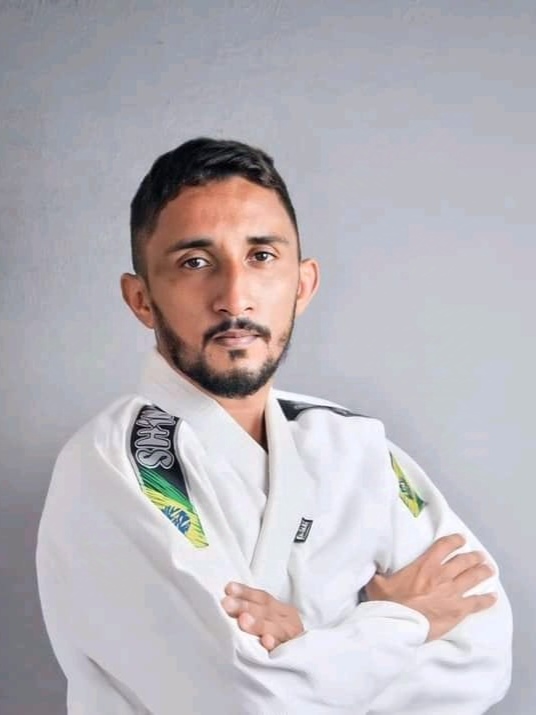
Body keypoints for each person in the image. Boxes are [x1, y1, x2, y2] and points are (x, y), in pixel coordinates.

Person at [36, 137, 512, 714]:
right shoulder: (113, 466)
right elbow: (246, 700)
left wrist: (309, 649)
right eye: (195, 263)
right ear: (141, 299)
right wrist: (404, 620)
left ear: (302, 285)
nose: (234, 297)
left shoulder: (351, 443)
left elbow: (484, 652)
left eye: (261, 256)